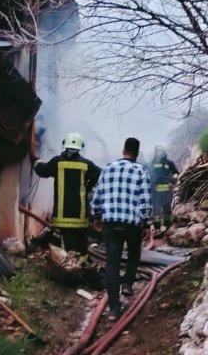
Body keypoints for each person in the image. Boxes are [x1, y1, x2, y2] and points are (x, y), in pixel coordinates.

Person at [91, 137, 152, 320]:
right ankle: (128, 283)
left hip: (111, 223)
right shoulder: (141, 171)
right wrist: (146, 222)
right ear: (137, 152)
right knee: (134, 252)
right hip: (132, 223)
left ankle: (114, 309)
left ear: (123, 150)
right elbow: (145, 200)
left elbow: (97, 196)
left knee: (112, 263)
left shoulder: (108, 168)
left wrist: (96, 215)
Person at [32, 132, 101, 255]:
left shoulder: (57, 162)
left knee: (65, 246)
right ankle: (81, 267)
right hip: (80, 217)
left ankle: (67, 266)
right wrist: (89, 186)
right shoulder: (86, 164)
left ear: (65, 145)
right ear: (81, 148)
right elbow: (100, 174)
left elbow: (42, 171)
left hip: (62, 217)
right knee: (80, 246)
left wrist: (35, 160)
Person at [149, 144, 180, 232]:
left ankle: (168, 225)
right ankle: (157, 227)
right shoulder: (151, 163)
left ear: (163, 152)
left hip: (167, 190)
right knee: (157, 211)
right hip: (155, 192)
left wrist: (172, 181)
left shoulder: (169, 163)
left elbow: (176, 173)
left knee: (167, 208)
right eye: (157, 151)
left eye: (160, 151)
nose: (158, 153)